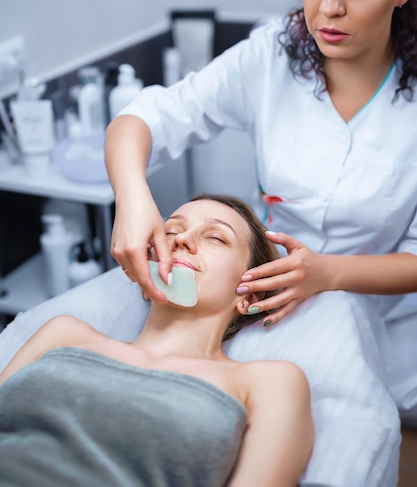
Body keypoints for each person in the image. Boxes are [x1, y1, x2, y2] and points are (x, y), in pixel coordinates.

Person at [104, 0, 417, 482]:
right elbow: (144, 118)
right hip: (261, 301)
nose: (328, 8)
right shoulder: (271, 56)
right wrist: (133, 198)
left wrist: (331, 273)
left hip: (389, 320)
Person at [0, 194, 314, 487]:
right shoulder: (64, 333)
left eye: (216, 237)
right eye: (169, 231)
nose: (181, 239)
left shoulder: (266, 381)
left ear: (251, 295)